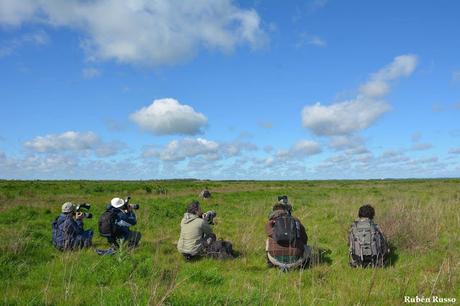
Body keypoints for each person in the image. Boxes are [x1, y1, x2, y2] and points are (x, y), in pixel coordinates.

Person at [265, 196, 310, 271]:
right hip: (296, 260)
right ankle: (303, 264)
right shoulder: (295, 220)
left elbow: (270, 234)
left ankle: (270, 263)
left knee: (268, 240)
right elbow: (305, 238)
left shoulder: (270, 223)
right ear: (287, 210)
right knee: (307, 247)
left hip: (275, 259)